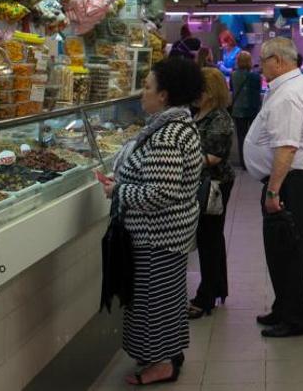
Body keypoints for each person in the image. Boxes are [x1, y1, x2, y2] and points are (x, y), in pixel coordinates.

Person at [100, 56, 203, 385]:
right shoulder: (171, 126)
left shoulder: (167, 136)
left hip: (157, 237)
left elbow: (160, 194)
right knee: (163, 299)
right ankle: (166, 357)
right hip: (165, 236)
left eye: (146, 87)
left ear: (165, 95)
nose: (140, 92)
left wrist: (119, 190)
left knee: (154, 301)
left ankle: (163, 364)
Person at [243, 37, 303, 338]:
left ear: (277, 61)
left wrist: (274, 191)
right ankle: (284, 306)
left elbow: (287, 148)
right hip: (293, 180)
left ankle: (296, 319)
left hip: (290, 183)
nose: (260, 66)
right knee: (282, 248)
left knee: (288, 249)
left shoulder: (288, 94)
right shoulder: (294, 87)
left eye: (262, 61)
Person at [189, 68, 235, 319]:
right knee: (212, 238)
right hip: (205, 184)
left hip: (214, 186)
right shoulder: (199, 113)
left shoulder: (220, 119)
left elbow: (214, 157)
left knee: (209, 238)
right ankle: (217, 288)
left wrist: (180, 159)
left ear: (210, 92)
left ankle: (205, 297)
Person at [230, 51, 261, 170]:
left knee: (241, 137)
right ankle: (253, 162)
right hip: (252, 109)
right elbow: (258, 90)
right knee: (253, 137)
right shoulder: (255, 76)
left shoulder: (233, 75)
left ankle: (244, 163)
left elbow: (232, 89)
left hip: (238, 110)